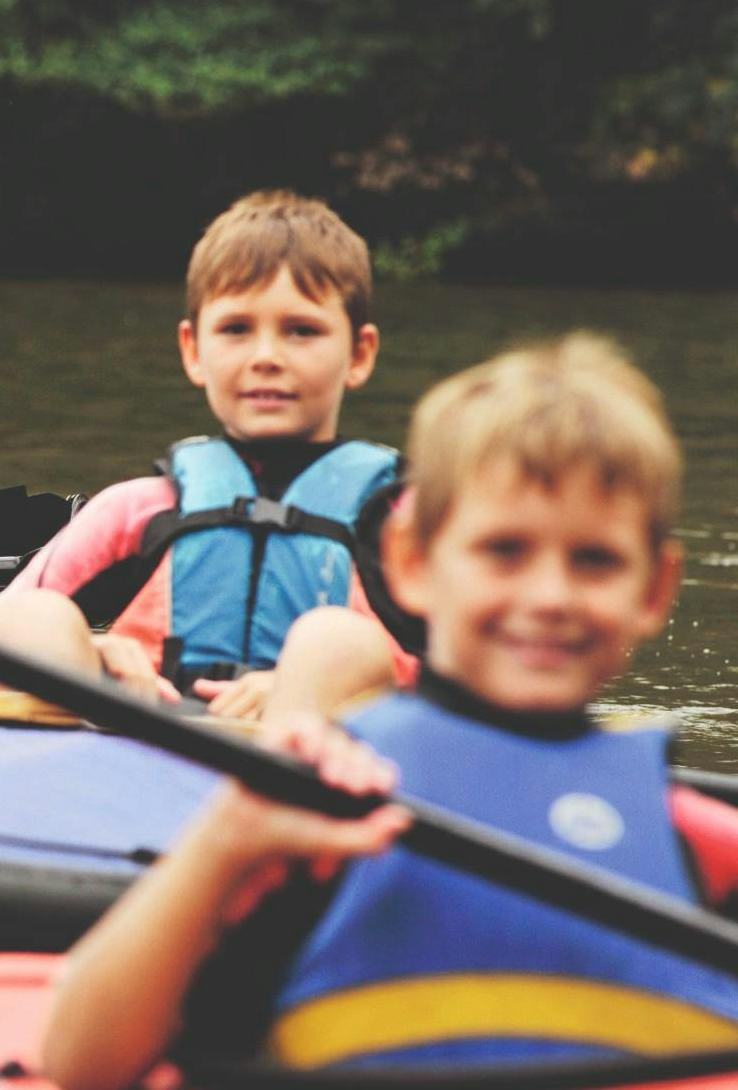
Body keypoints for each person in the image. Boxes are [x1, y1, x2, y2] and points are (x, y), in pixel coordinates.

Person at [40, 336, 738, 1087]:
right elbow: (82, 1063)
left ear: (655, 589)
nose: (549, 597)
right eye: (504, 551)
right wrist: (221, 841)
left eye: (594, 560)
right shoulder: (311, 822)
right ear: (411, 561)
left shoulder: (701, 848)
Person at [0, 190, 416, 726]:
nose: (266, 357)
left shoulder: (409, 526)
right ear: (194, 350)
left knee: (338, 646)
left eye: (302, 331)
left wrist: (315, 686)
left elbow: (485, 683)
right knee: (34, 615)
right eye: (236, 329)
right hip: (145, 755)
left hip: (319, 770)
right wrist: (87, 658)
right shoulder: (135, 511)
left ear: (359, 354)